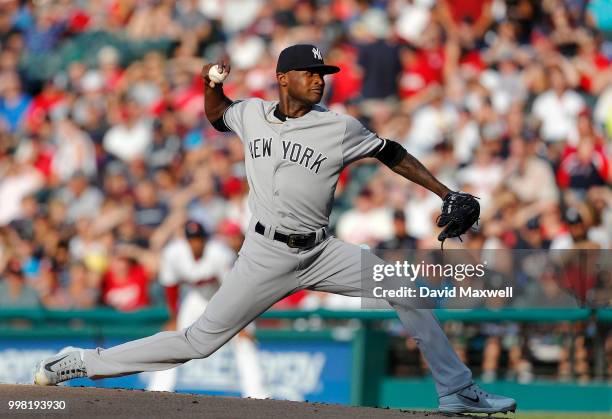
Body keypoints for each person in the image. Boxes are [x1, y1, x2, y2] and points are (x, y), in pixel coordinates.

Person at [34, 44, 515, 415]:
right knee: (199, 341)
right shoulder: (252, 114)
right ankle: (81, 361)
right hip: (265, 253)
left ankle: (456, 391)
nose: (319, 81)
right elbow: (217, 112)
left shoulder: (340, 127)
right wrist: (208, 82)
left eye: (323, 75)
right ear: (283, 78)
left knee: (404, 287)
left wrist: (444, 191)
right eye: (311, 73)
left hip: (322, 251)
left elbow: (390, 152)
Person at [146, 220, 268, 398]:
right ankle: (158, 389)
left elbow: (234, 291)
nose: (195, 243)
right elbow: (171, 287)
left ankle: (257, 393)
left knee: (245, 341)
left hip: (225, 296)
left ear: (205, 239)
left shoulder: (220, 253)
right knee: (174, 338)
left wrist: (240, 324)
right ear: (186, 240)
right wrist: (174, 317)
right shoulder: (173, 253)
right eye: (192, 239)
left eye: (199, 238)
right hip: (196, 297)